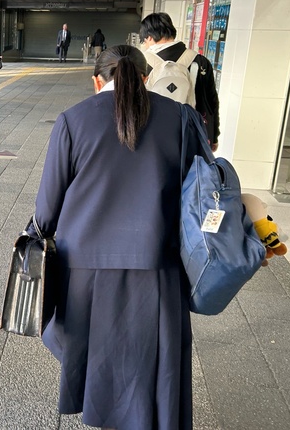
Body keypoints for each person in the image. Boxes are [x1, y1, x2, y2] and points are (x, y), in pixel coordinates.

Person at [29, 45, 203, 429]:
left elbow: (47, 210)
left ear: (97, 81)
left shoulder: (72, 121)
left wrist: (33, 233)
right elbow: (200, 194)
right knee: (153, 367)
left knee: (98, 361)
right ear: (146, 78)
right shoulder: (180, 118)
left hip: (84, 273)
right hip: (157, 268)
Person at [141, 12, 220, 151]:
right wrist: (213, 136)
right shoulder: (200, 61)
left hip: (151, 137)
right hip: (192, 135)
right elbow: (211, 100)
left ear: (149, 37)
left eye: (144, 41)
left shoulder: (141, 63)